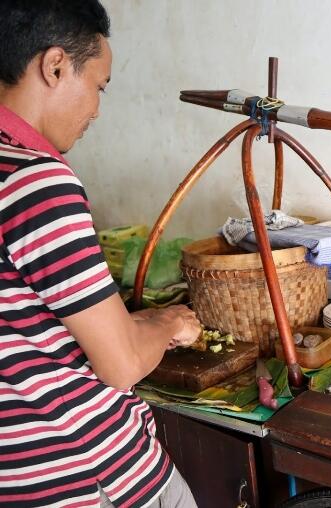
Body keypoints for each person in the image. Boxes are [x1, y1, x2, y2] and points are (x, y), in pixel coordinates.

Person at [0, 1, 202, 506]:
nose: (96, 109)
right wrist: (169, 324)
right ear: (54, 66)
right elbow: (123, 363)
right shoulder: (38, 181)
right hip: (81, 471)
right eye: (99, 86)